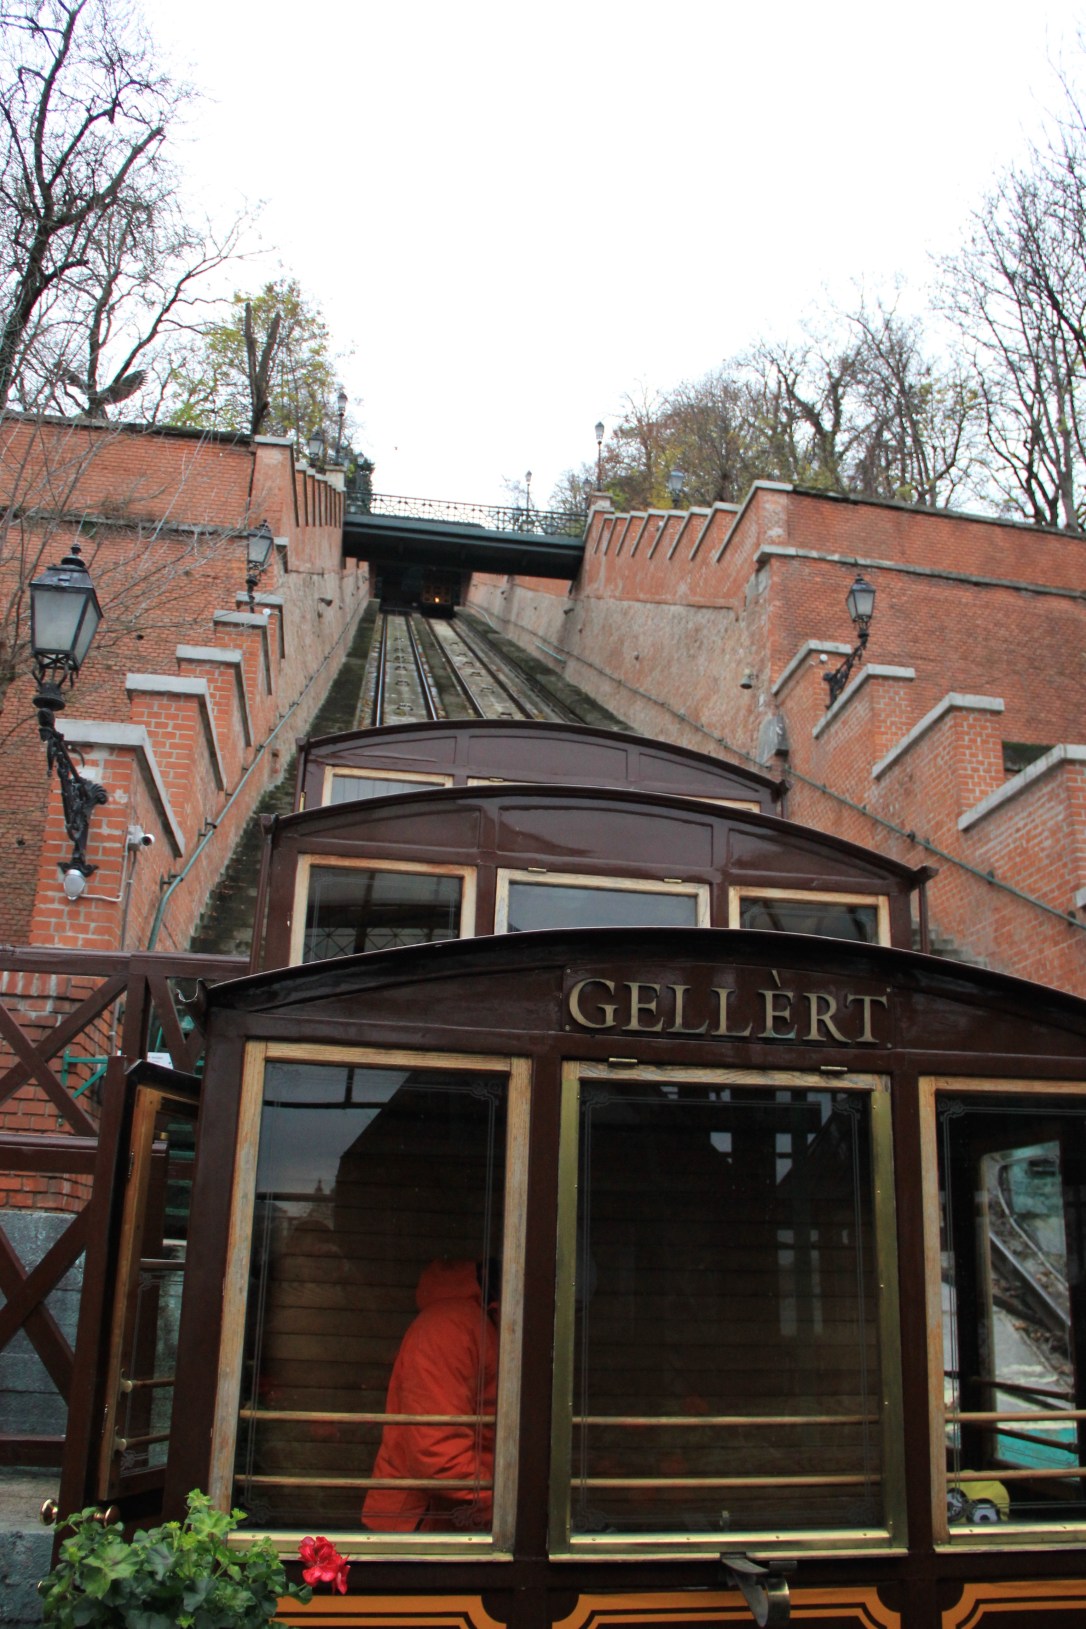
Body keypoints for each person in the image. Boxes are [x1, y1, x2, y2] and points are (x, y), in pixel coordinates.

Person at [363, 1258, 499, 1532]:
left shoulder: (480, 1325)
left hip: (448, 1523)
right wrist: (509, 1511)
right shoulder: (450, 1327)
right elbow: (437, 1453)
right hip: (421, 1527)